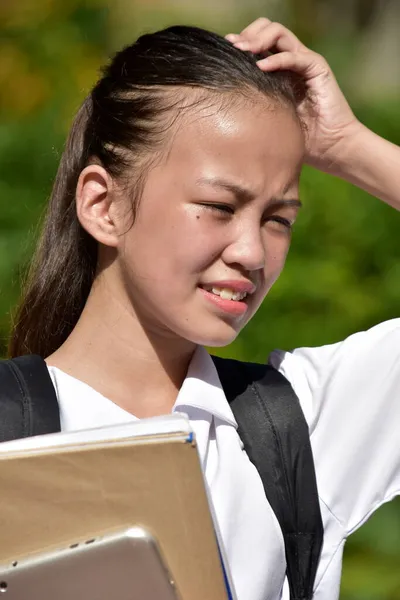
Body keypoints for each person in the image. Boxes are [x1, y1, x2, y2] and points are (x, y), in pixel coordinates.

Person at [6, 17, 400, 600]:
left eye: (278, 220)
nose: (251, 252)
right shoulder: (12, 432)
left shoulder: (300, 426)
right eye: (218, 205)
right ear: (102, 205)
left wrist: (347, 147)